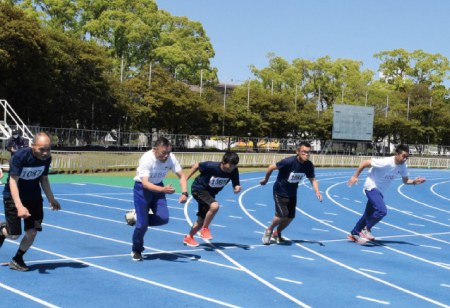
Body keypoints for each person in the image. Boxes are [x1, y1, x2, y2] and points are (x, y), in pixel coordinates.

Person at [0, 132, 61, 271]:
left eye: (48, 149)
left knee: (32, 232)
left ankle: (17, 259)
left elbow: (44, 178)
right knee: (14, 235)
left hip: (33, 198)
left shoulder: (47, 158)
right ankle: (2, 230)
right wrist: (19, 206)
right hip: (13, 197)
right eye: (42, 149)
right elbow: (13, 182)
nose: (45, 153)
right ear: (33, 146)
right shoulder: (20, 156)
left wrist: (51, 198)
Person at [347, 144, 426, 244]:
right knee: (382, 210)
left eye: (407, 157)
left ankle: (354, 233)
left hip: (380, 191)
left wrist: (414, 182)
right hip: (371, 186)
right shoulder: (385, 162)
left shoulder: (403, 166)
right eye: (404, 156)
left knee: (368, 214)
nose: (405, 159)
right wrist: (355, 176)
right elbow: (364, 163)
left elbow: (405, 181)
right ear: (397, 154)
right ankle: (366, 228)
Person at [132, 137, 188, 261]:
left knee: (163, 218)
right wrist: (163, 190)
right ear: (155, 149)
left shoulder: (171, 157)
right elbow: (145, 183)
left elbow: (182, 175)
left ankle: (138, 218)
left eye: (168, 152)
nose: (166, 156)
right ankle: (137, 249)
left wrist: (184, 193)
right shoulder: (146, 159)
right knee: (142, 225)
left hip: (159, 188)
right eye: (164, 153)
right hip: (142, 189)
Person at [260, 142, 323, 244]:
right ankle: (269, 230)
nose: (306, 154)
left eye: (308, 152)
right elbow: (271, 167)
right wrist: (265, 180)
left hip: (292, 193)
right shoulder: (289, 162)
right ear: (297, 152)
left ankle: (277, 232)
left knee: (290, 217)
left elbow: (313, 179)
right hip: (280, 191)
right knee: (282, 214)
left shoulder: (309, 165)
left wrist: (317, 191)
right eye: (304, 152)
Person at [183, 152, 241, 247]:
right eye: (230, 165)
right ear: (223, 162)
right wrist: (185, 178)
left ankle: (189, 237)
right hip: (199, 188)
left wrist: (237, 188)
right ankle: (205, 229)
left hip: (210, 194)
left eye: (234, 166)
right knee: (214, 206)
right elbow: (197, 165)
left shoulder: (234, 171)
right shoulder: (211, 166)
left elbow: (236, 185)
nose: (231, 168)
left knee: (201, 220)